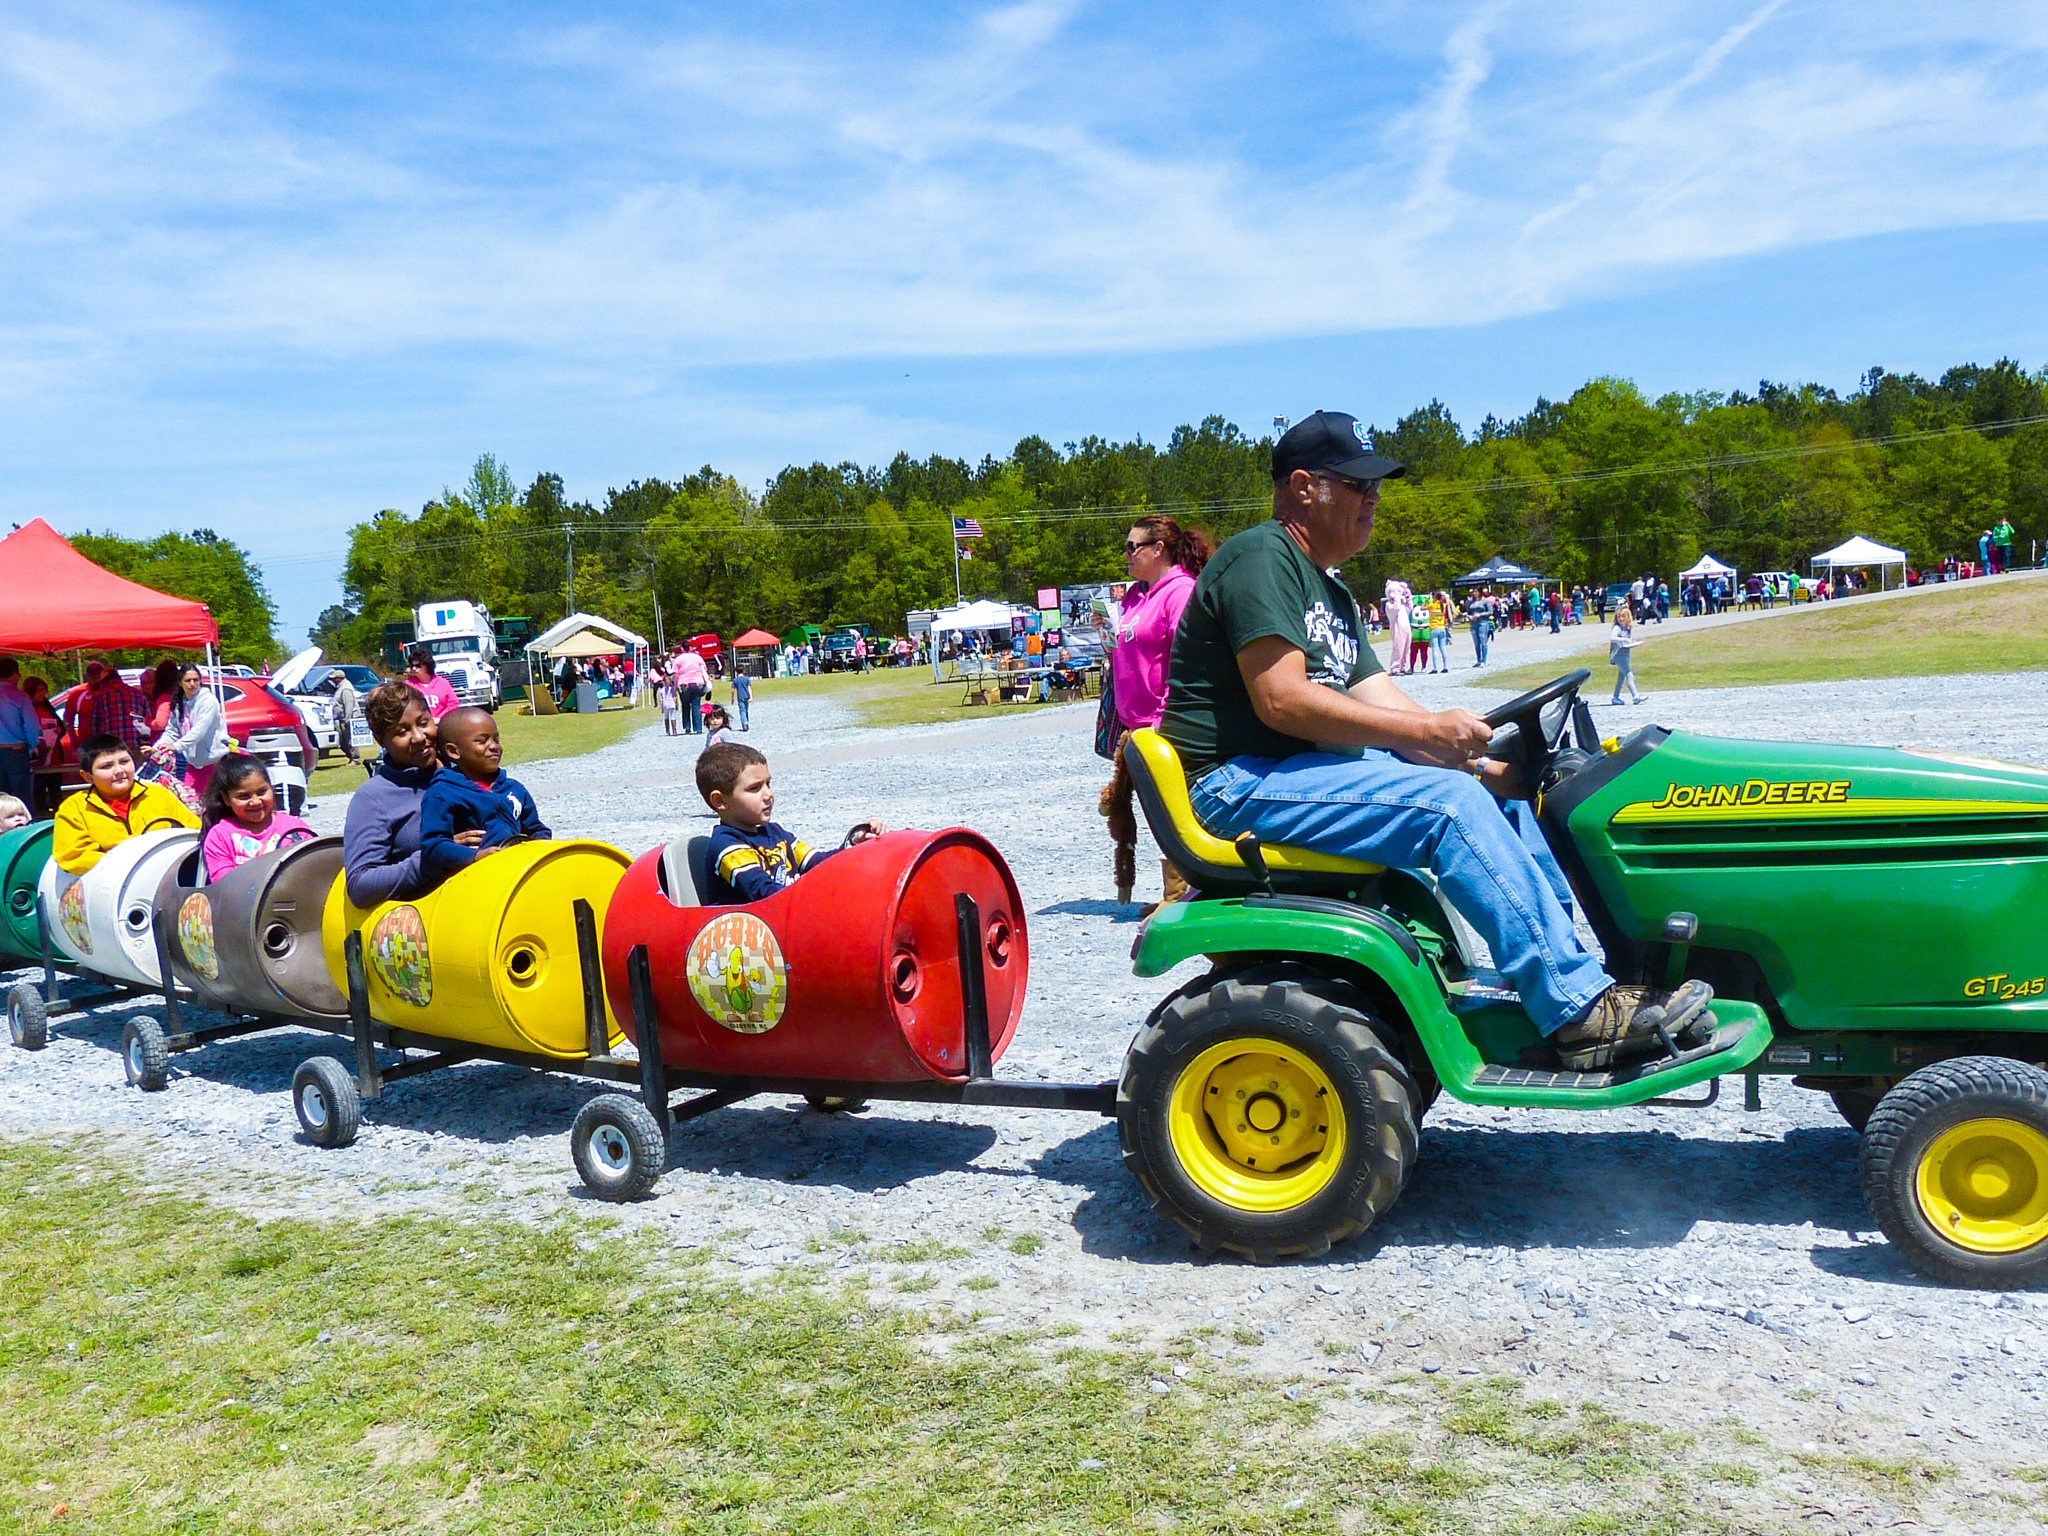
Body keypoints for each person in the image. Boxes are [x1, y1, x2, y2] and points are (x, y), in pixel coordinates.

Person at [1158, 409, 1710, 1071]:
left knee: (1500, 798)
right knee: (1450, 807)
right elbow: (1283, 701)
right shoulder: (1260, 557)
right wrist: (1430, 737)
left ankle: (1575, 969)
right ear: (1304, 487)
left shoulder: (1328, 593)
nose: (1375, 499)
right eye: (1359, 485)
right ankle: (1575, 1009)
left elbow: (1388, 712)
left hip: (1292, 773)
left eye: (1376, 487)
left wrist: (1496, 766)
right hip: (1238, 783)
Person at [1096, 514, 1215, 907]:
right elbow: (1128, 653)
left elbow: (1188, 659)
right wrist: (1106, 634)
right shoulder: (1135, 595)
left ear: (1158, 549)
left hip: (1166, 724)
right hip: (1136, 726)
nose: (1125, 554)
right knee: (1154, 813)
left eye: (1133, 547)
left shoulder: (1180, 592)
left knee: (1177, 812)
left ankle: (1182, 896)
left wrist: (1166, 718)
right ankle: (1175, 894)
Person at [343, 682, 485, 906]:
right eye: (402, 731)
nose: (419, 737)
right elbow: (360, 885)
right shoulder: (374, 797)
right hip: (435, 919)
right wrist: (435, 856)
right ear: (381, 740)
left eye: (423, 723)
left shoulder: (464, 767)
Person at [696, 741, 886, 905]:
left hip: (783, 920)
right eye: (755, 788)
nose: (768, 794)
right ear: (720, 801)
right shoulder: (726, 844)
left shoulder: (775, 833)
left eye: (768, 784)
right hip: (746, 938)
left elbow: (817, 864)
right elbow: (764, 893)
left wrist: (854, 845)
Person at [419, 707, 548, 879]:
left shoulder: (514, 789)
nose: (494, 747)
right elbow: (433, 845)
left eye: (496, 739)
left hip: (519, 873)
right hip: (475, 879)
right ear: (454, 751)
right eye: (482, 741)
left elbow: (536, 828)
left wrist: (541, 845)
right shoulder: (442, 793)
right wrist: (474, 856)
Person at [52, 734, 200, 874]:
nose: (119, 771)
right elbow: (72, 856)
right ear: (88, 776)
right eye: (107, 766)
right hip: (106, 884)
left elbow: (195, 832)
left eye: (124, 762)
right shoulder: (74, 808)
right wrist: (127, 863)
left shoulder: (158, 795)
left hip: (165, 876)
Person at [200, 753, 316, 880]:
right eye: (244, 796)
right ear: (226, 799)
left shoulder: (296, 828)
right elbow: (224, 886)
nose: (255, 802)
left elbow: (315, 868)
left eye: (262, 792)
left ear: (271, 788)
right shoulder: (219, 836)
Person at [150, 662, 233, 803]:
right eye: (188, 680)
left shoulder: (208, 701)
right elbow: (172, 731)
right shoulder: (179, 703)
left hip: (215, 762)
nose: (192, 684)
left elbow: (199, 730)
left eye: (196, 680)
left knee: (212, 803)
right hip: (193, 764)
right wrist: (157, 748)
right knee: (189, 801)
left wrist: (176, 747)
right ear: (180, 683)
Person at [72, 659, 152, 761]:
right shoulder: (138, 694)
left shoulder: (98, 696)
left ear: (104, 681)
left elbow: (93, 726)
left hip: (111, 746)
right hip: (136, 744)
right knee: (136, 775)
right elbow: (147, 720)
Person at [0, 659, 38, 808]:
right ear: (15, 675)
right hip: (15, 751)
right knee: (21, 799)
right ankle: (25, 829)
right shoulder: (20, 696)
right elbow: (32, 727)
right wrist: (31, 747)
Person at [405, 647, 461, 719]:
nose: (414, 669)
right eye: (412, 666)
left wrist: (440, 718)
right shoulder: (408, 685)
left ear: (427, 665)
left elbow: (453, 703)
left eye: (418, 666)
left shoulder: (443, 683)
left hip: (441, 724)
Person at [1609, 602, 1643, 705]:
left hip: (1625, 654)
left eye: (1623, 616)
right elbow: (1612, 638)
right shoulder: (1616, 628)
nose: (1620, 619)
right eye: (1619, 617)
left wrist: (1631, 642)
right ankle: (1635, 696)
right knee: (1629, 674)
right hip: (1618, 655)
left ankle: (1615, 697)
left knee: (1621, 677)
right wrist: (1623, 640)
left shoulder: (1628, 628)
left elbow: (1628, 640)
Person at [672, 647, 709, 736]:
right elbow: (705, 669)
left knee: (685, 706)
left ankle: (687, 727)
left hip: (684, 684)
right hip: (697, 683)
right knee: (696, 706)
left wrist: (675, 687)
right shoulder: (697, 657)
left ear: (682, 648)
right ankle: (698, 728)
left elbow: (675, 674)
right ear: (690, 648)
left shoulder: (678, 659)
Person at [657, 671, 680, 736]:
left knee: (666, 717)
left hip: (665, 705)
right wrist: (677, 704)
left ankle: (667, 731)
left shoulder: (661, 690)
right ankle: (674, 731)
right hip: (672, 704)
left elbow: (661, 699)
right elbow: (674, 697)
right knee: (673, 717)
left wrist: (661, 707)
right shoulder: (672, 689)